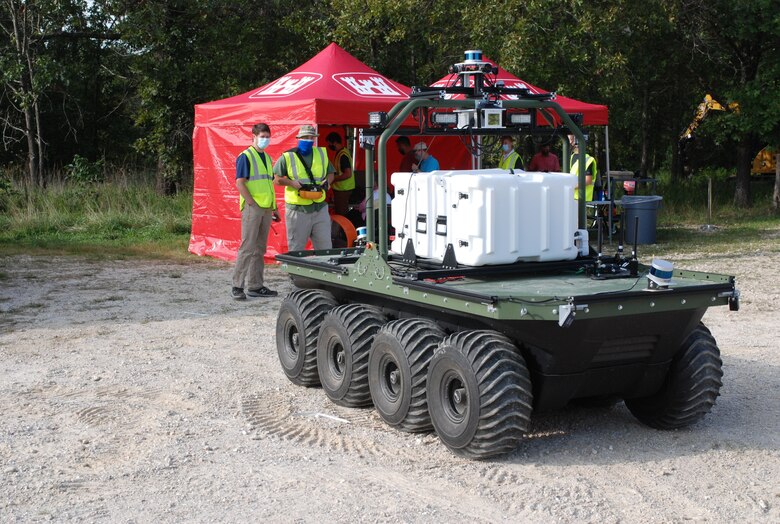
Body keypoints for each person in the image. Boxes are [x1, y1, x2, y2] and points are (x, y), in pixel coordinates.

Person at [231, 123, 280, 300]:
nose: (265, 139)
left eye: (267, 136)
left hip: (266, 207)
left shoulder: (266, 157)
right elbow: (240, 182)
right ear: (253, 135)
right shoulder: (246, 156)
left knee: (259, 248)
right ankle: (237, 285)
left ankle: (255, 285)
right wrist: (251, 203)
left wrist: (274, 207)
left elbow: (268, 185)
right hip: (254, 207)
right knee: (248, 247)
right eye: (262, 136)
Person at [273, 124, 335, 251]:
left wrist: (327, 183)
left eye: (311, 137)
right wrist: (291, 183)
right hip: (298, 209)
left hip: (320, 207)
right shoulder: (288, 156)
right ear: (299, 138)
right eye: (305, 137)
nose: (309, 140)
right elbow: (276, 179)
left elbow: (331, 173)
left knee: (326, 249)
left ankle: (324, 269)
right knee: (296, 249)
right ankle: (295, 272)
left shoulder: (321, 154)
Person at [326, 132, 354, 216]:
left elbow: (348, 174)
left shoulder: (343, 155)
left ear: (334, 142)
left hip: (343, 190)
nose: (328, 146)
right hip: (340, 189)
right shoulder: (340, 153)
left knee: (342, 215)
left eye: (329, 143)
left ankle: (343, 229)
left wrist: (334, 179)